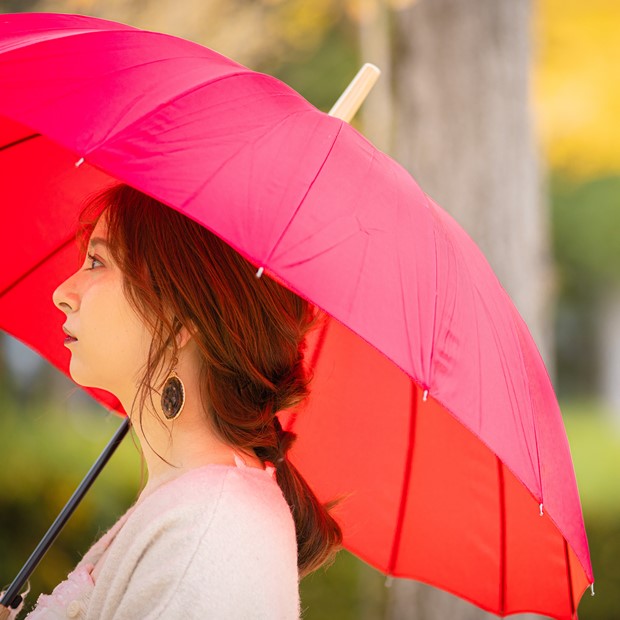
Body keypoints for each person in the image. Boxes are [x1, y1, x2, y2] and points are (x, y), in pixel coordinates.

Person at [7, 183, 342, 619]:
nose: (64, 292)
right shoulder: (189, 509)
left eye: (97, 262)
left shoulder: (209, 536)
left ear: (180, 316)